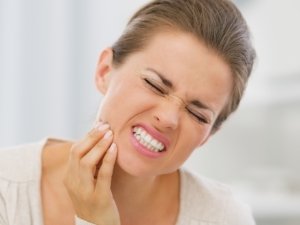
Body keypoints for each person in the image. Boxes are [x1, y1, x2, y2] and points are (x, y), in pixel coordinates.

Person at [0, 0, 256, 224]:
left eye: (198, 115)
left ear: (208, 134)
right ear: (104, 72)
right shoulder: (6, 188)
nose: (168, 118)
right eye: (154, 85)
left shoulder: (224, 218)